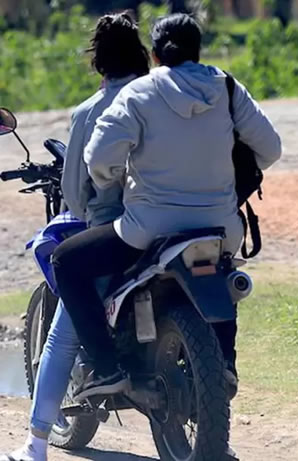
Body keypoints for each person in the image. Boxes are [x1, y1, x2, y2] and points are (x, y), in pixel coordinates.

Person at [51, 13, 281, 400]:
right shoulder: (226, 87)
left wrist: (111, 179)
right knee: (219, 272)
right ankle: (224, 361)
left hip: (147, 229)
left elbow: (99, 160)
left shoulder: (138, 93)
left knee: (66, 262)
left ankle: (106, 367)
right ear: (197, 49)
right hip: (218, 227)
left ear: (155, 55)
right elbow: (271, 149)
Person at [1, 13, 150, 461]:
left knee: (60, 334)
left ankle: (36, 443)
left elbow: (75, 191)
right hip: (176, 223)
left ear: (98, 60)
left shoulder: (89, 111)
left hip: (116, 230)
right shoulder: (160, 97)